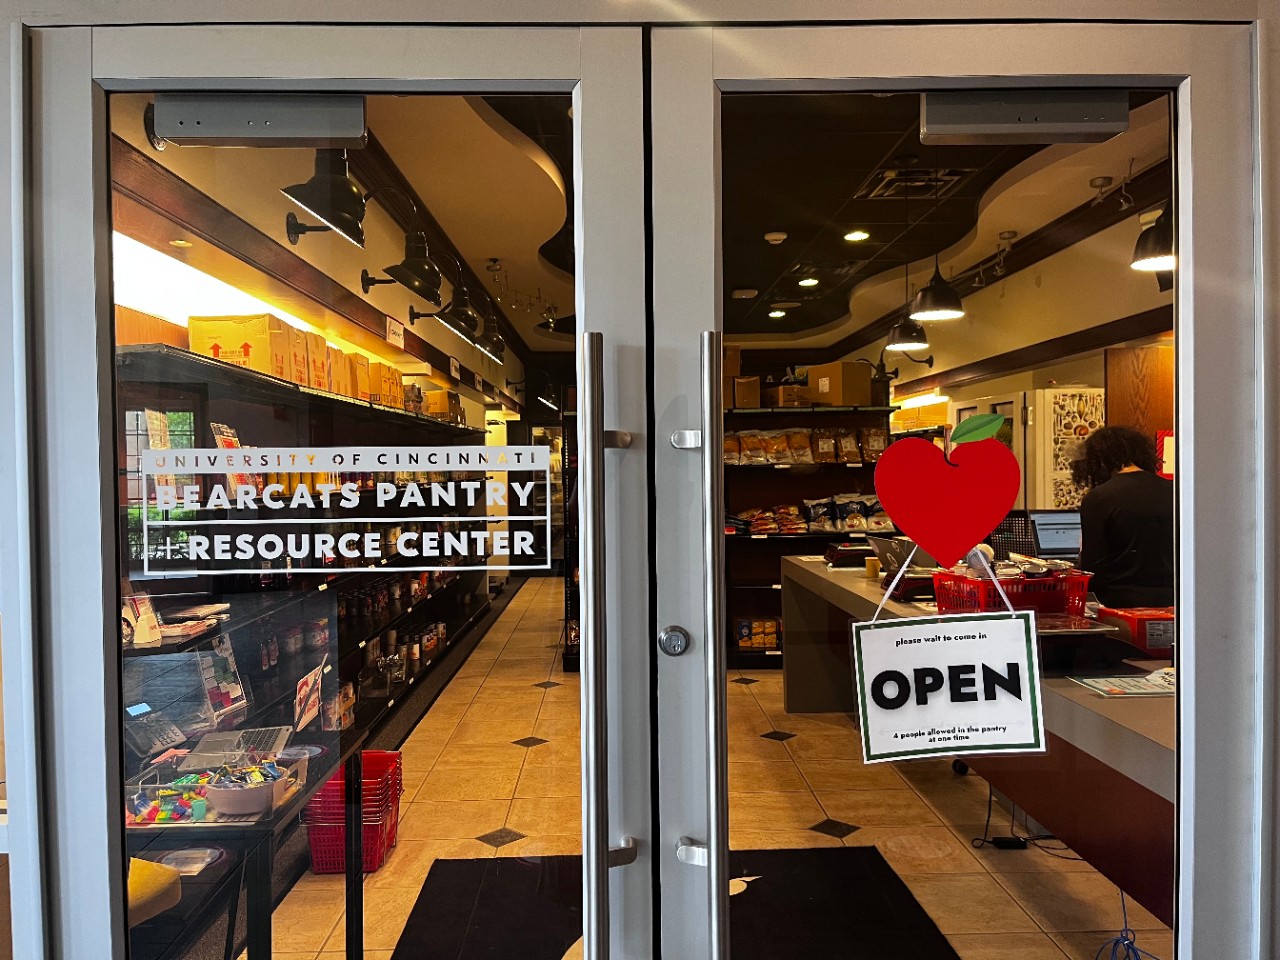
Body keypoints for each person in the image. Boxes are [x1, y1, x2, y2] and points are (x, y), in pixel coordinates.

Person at [1073, 426, 1175, 608]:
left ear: (1099, 461)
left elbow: (1093, 570)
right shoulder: (1175, 491)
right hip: (1174, 602)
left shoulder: (1099, 498)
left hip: (1119, 603)